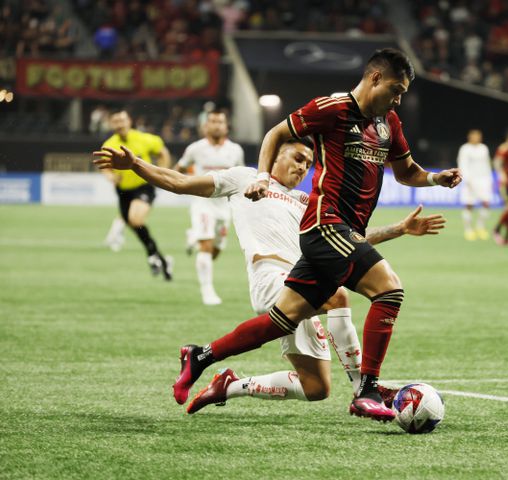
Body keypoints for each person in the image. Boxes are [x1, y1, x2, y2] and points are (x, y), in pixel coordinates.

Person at [144, 48, 457, 423]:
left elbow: (407, 172)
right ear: (375, 78)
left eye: (403, 92)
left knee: (282, 320)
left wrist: (435, 179)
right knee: (388, 289)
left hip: (343, 233)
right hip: (325, 224)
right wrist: (261, 175)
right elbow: (277, 132)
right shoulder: (333, 108)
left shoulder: (389, 122)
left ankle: (201, 356)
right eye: (396, 88)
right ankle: (367, 388)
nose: (399, 98)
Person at [94, 139, 446, 414]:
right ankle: (363, 389)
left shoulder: (307, 202)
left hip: (302, 282)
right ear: (274, 156)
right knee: (338, 295)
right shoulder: (244, 178)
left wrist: (400, 228)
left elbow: (349, 240)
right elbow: (181, 182)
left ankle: (228, 384)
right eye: (296, 158)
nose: (302, 167)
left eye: (307, 164)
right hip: (270, 276)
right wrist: (136, 165)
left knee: (316, 388)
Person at [175, 110, 245, 305]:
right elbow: (180, 168)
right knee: (206, 246)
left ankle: (193, 237)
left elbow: (240, 174)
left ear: (226, 126)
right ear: (205, 126)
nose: (216, 125)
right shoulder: (195, 149)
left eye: (220, 122)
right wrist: (172, 181)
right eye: (212, 121)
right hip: (202, 203)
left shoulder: (235, 150)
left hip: (224, 206)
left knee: (215, 250)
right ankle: (207, 291)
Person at [100, 109, 174, 279]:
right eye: (116, 121)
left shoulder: (144, 139)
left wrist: (161, 172)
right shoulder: (109, 144)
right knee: (136, 226)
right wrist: (111, 176)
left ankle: (152, 257)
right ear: (112, 124)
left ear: (129, 121)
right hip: (123, 191)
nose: (120, 124)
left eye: (122, 120)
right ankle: (160, 259)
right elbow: (105, 168)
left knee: (135, 220)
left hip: (144, 186)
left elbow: (162, 152)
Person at [457, 128, 493, 241]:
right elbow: (462, 164)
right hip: (470, 180)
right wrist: (466, 180)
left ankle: (480, 227)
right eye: (474, 136)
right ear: (469, 137)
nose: (476, 138)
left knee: (486, 203)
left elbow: (487, 164)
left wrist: (490, 178)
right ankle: (468, 230)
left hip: (483, 180)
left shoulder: (484, 148)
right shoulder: (465, 149)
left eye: (478, 136)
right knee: (469, 205)